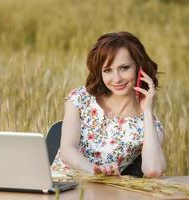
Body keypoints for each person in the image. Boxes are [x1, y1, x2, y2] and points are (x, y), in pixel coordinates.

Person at [51, 31, 166, 178]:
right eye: (107, 70)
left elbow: (153, 171)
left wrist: (148, 111)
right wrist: (95, 170)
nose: (116, 79)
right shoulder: (81, 99)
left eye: (124, 68)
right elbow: (67, 151)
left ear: (139, 67)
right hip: (55, 188)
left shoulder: (149, 125)